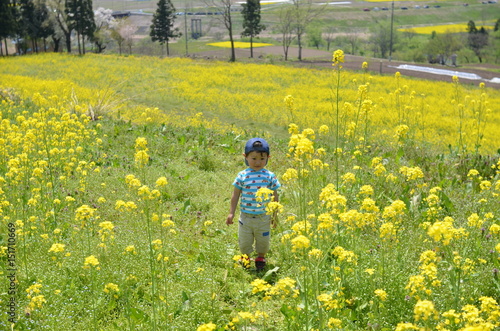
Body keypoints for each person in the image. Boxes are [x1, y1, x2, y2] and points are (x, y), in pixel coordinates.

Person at [226, 138, 281, 270]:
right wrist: (231, 213)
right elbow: (235, 195)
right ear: (245, 157)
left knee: (263, 241)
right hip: (245, 217)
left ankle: (260, 257)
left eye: (262, 159)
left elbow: (275, 196)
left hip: (264, 217)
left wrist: (274, 215)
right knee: (244, 241)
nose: (257, 162)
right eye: (254, 158)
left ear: (268, 158)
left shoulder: (270, 176)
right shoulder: (242, 176)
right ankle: (245, 257)